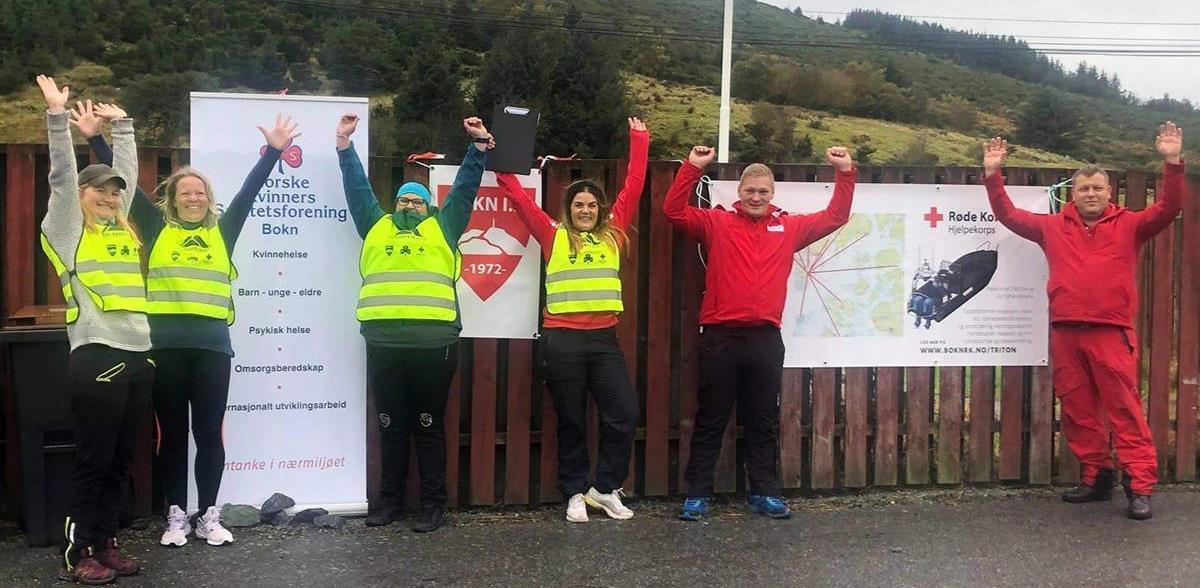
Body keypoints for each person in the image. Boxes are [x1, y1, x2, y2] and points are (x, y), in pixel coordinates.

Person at [72, 101, 299, 546]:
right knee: (171, 436)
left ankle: (209, 514)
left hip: (212, 349)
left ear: (209, 200)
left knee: (209, 434)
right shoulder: (156, 228)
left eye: (200, 193)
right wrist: (96, 137)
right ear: (172, 199)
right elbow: (129, 189)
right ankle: (176, 514)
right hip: (164, 348)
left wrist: (274, 152)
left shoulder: (223, 230)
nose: (193, 198)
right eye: (185, 193)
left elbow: (250, 191)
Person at [982, 123, 1186, 520]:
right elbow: (1008, 215)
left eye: (1097, 188)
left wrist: (1172, 161)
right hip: (1066, 332)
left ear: (1109, 193)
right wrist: (992, 173)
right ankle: (1097, 478)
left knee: (1124, 410)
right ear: (1072, 194)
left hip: (1111, 333)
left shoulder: (1130, 225)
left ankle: (1139, 487)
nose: (1090, 194)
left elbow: (1169, 208)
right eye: (1083, 189)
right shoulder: (1051, 227)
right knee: (1078, 411)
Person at [664, 144, 856, 521]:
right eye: (750, 191)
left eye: (763, 191)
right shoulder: (716, 222)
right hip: (719, 336)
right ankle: (697, 494)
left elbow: (836, 216)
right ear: (738, 192)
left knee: (763, 419)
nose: (756, 197)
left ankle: (764, 492)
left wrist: (845, 172)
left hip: (765, 338)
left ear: (772, 194)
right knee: (711, 419)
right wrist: (692, 167)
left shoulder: (789, 227)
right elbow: (673, 211)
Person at [336, 112, 493, 532]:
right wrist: (345, 147)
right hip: (384, 343)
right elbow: (357, 189)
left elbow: (465, 189)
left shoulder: (444, 225)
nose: (409, 205)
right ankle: (389, 502)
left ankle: (432, 504)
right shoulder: (376, 225)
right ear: (395, 205)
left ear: (429, 206)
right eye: (404, 200)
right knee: (389, 425)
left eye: (417, 200)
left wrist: (478, 147)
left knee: (428, 425)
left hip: (434, 346)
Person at [494, 117, 649, 522]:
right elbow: (516, 195)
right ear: (569, 208)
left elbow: (634, 183)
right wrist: (498, 150)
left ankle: (604, 489)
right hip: (562, 341)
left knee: (624, 414)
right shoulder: (552, 234)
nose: (585, 210)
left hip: (604, 340)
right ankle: (574, 492)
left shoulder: (613, 233)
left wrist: (639, 138)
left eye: (591, 205)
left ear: (601, 209)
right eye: (579, 204)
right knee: (572, 421)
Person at [37, 75, 149, 585]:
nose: (108, 196)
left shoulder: (121, 227)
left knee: (120, 460)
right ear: (80, 196)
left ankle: (106, 543)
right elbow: (62, 177)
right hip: (96, 353)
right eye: (99, 190)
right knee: (94, 460)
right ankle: (78, 550)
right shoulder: (68, 228)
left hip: (139, 353)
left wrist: (123, 127)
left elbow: (127, 174)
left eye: (113, 192)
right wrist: (57, 117)